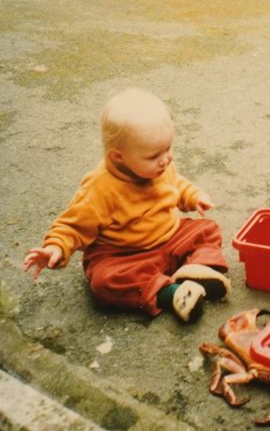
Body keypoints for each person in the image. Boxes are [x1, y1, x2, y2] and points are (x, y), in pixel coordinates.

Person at [24, 87, 231, 322]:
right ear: (118, 157)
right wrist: (55, 248)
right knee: (104, 280)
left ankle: (197, 273)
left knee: (206, 228)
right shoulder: (99, 188)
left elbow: (176, 184)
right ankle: (171, 294)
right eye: (154, 155)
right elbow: (72, 226)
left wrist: (193, 196)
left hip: (170, 238)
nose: (166, 159)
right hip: (125, 255)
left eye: (168, 149)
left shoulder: (161, 166)